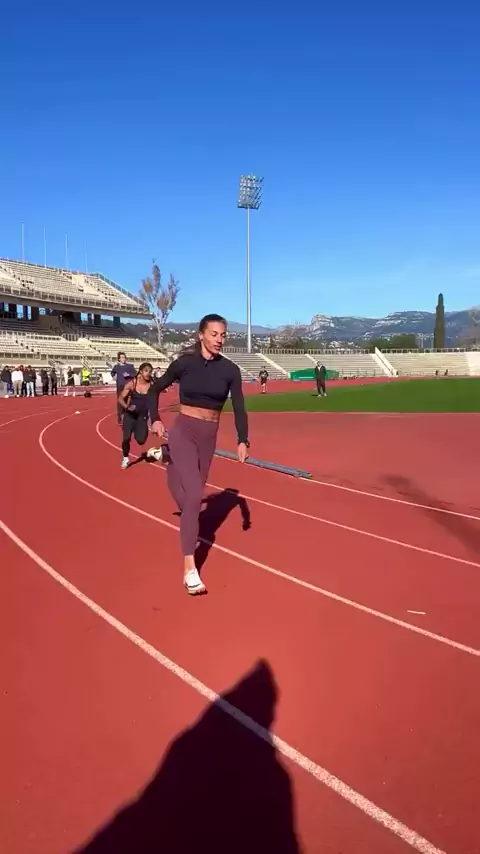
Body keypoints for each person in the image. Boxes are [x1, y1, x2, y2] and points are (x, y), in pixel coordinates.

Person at [148, 314, 249, 596]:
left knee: (190, 499)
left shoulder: (230, 370)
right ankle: (189, 568)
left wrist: (243, 439)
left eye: (223, 335)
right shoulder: (184, 364)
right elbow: (155, 389)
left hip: (208, 437)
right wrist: (155, 419)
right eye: (214, 334)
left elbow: (239, 407)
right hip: (184, 431)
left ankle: (167, 455)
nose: (219, 340)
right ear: (201, 334)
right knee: (193, 497)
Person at [118, 362, 154, 469]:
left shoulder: (152, 385)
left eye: (150, 371)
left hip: (142, 417)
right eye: (146, 371)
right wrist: (127, 407)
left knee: (141, 441)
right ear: (141, 372)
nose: (148, 373)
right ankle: (125, 458)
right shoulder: (132, 384)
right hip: (130, 416)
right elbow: (120, 398)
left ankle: (138, 430)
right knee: (126, 438)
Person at [111, 351, 136, 425]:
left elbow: (135, 374)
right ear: (119, 359)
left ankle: (129, 416)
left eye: (124, 357)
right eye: (122, 357)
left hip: (128, 386)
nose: (123, 359)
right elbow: (112, 373)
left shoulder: (130, 366)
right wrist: (114, 377)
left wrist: (129, 375)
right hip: (120, 386)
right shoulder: (116, 367)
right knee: (120, 402)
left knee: (129, 401)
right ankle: (120, 418)